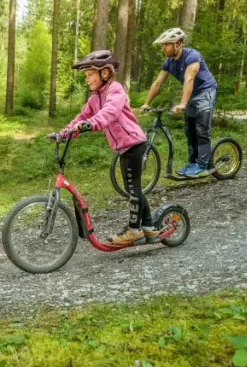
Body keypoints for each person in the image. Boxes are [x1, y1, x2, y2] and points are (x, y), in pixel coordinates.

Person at [55, 50, 156, 247]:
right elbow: (81, 117)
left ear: (105, 73)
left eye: (90, 75)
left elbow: (109, 112)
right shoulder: (94, 98)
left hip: (134, 143)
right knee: (131, 187)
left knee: (133, 187)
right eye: (86, 76)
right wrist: (64, 132)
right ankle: (149, 228)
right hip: (124, 148)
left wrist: (91, 124)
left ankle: (134, 231)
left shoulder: (115, 90)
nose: (87, 80)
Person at [140, 27, 218, 178]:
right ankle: (192, 162)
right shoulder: (169, 62)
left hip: (206, 91)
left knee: (201, 129)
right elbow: (157, 83)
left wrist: (182, 104)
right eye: (163, 45)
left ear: (178, 44)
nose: (163, 48)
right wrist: (147, 103)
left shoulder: (192, 56)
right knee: (189, 130)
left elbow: (189, 80)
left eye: (166, 44)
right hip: (191, 95)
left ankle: (202, 165)